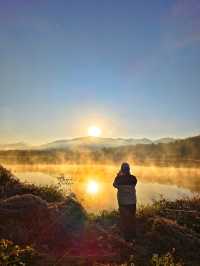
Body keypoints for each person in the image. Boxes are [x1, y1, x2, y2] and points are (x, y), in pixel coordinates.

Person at [113, 162, 137, 241]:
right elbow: (133, 183)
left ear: (122, 170)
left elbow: (114, 185)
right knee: (131, 219)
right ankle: (133, 237)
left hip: (123, 203)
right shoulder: (134, 178)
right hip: (132, 202)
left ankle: (126, 238)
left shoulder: (119, 179)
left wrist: (118, 175)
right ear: (129, 169)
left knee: (124, 220)